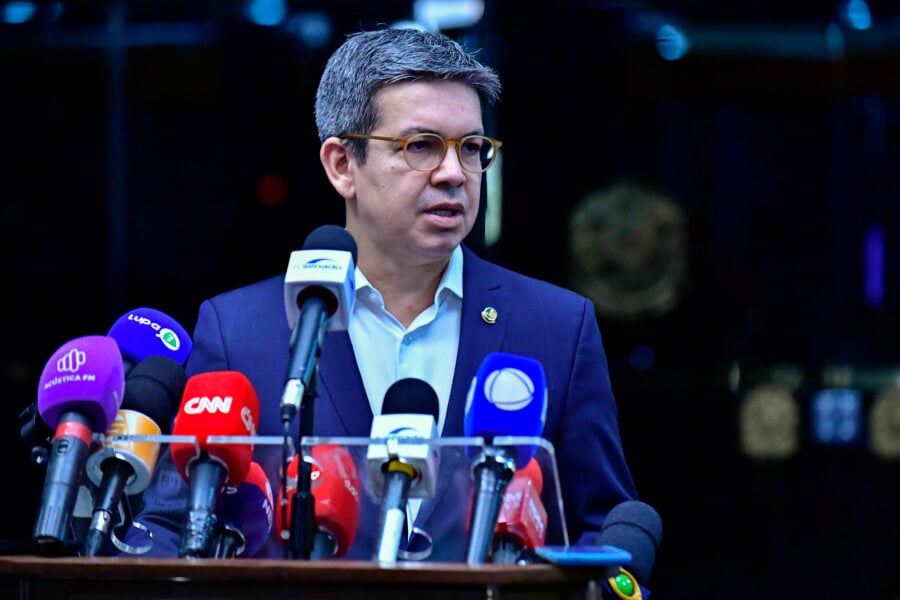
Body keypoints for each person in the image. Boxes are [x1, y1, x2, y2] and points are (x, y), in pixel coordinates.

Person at [123, 25, 639, 563]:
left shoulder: (557, 326)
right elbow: (173, 530)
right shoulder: (240, 332)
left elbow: (602, 532)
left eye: (472, 148)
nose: (453, 174)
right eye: (421, 146)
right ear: (342, 165)